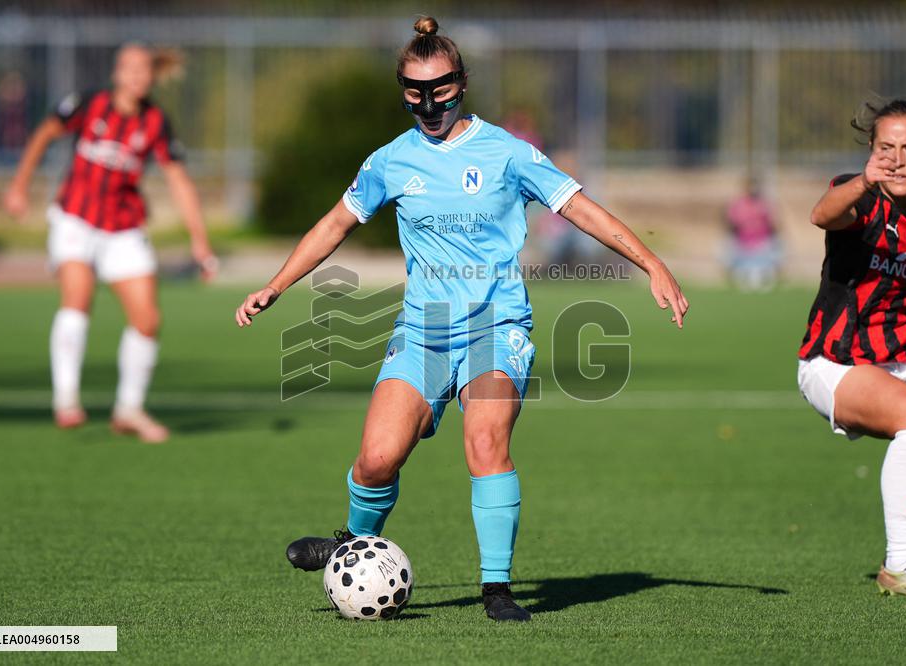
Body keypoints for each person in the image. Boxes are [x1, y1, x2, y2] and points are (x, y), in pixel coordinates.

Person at [235, 17, 688, 621]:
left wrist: (652, 263)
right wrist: (276, 285)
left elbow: (582, 210)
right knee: (375, 459)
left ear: (462, 84)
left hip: (495, 327)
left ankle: (496, 588)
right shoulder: (390, 161)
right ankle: (350, 542)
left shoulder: (507, 152)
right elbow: (334, 224)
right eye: (414, 92)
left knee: (484, 441)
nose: (428, 104)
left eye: (440, 91)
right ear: (402, 90)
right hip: (423, 330)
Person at [3, 43, 217, 443]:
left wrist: (200, 242)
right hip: (75, 219)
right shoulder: (88, 103)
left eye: (144, 69)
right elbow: (42, 136)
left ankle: (128, 410)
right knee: (78, 297)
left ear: (152, 76)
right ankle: (66, 397)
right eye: (129, 68)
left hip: (123, 226)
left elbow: (179, 181)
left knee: (147, 320)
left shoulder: (155, 121)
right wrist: (18, 186)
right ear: (118, 72)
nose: (137, 76)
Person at [798, 98, 906, 596]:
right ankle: (903, 564)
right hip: (836, 362)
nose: (898, 158)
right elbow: (821, 216)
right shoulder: (859, 196)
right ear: (871, 151)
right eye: (886, 147)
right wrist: (864, 180)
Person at [723, 176, 781, 291]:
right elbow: (730, 225)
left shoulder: (764, 204)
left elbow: (774, 226)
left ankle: (765, 272)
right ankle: (738, 272)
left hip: (761, 245)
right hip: (743, 245)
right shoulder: (737, 205)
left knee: (779, 244)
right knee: (723, 244)